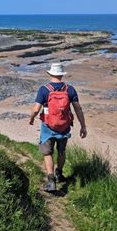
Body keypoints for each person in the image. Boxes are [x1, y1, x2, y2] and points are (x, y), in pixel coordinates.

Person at [29, 63, 87, 191]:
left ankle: (51, 181)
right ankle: (59, 174)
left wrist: (32, 118)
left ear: (50, 74)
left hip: (47, 127)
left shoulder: (44, 89)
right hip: (64, 126)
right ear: (61, 74)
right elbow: (78, 108)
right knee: (62, 151)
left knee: (47, 153)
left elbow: (36, 109)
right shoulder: (69, 89)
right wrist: (83, 126)